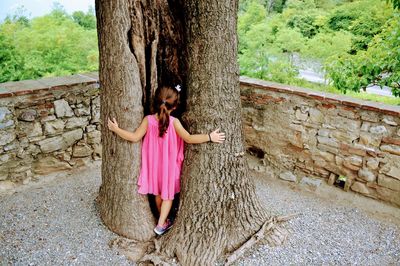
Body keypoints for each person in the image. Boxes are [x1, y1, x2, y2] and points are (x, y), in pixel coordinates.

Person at [107, 85, 225, 235]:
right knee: (167, 195)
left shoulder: (148, 120)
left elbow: (134, 137)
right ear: (175, 106)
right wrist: (209, 137)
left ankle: (162, 218)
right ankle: (161, 225)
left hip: (154, 166)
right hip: (169, 166)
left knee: (158, 193)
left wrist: (116, 129)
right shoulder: (174, 122)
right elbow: (189, 138)